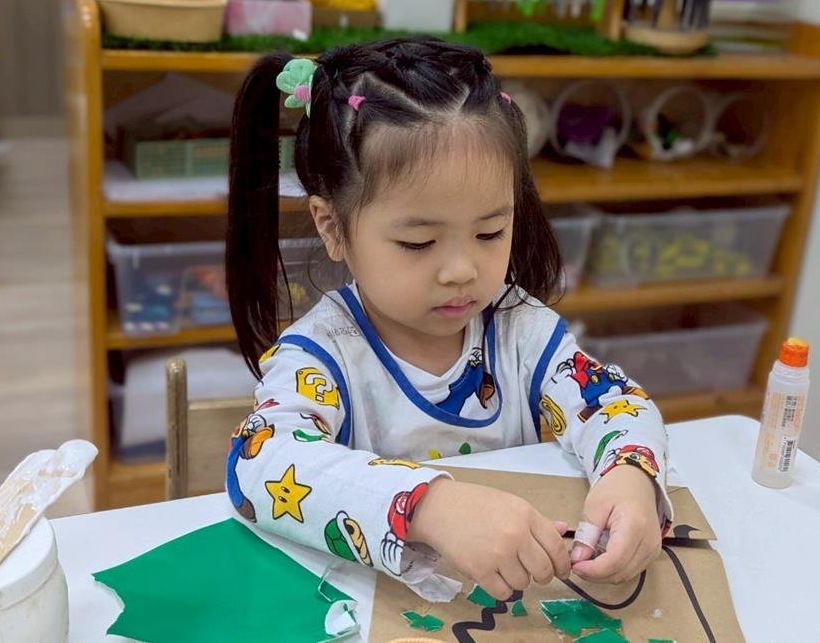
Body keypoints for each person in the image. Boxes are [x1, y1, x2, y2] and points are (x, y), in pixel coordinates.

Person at [224, 38, 672, 601]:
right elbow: (260, 464)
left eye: (490, 233)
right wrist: (428, 506)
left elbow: (614, 403)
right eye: (419, 243)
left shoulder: (520, 330)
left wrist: (630, 476)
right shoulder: (324, 354)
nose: (462, 270)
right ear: (332, 227)